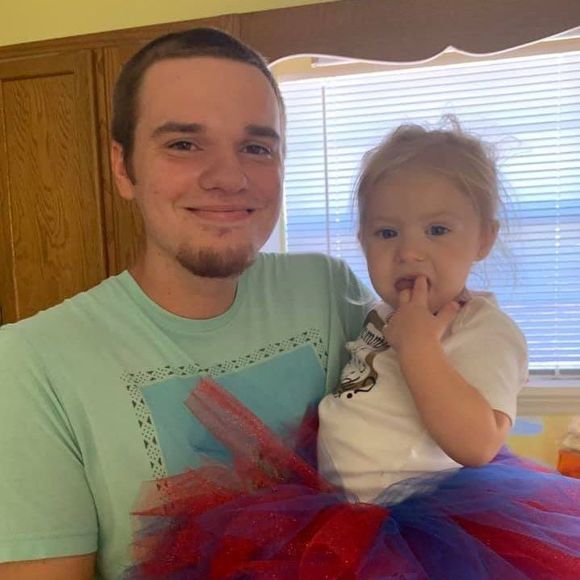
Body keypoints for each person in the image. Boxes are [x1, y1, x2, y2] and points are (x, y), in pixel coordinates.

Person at [126, 120, 580, 578]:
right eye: (387, 233)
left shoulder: (483, 330)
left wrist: (418, 347)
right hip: (334, 511)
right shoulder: (382, 314)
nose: (410, 252)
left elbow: (478, 444)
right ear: (362, 240)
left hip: (420, 535)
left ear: (483, 238)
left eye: (438, 230)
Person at [0, 29, 372, 580]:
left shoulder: (328, 289)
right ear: (123, 167)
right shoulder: (30, 363)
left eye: (257, 147)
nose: (229, 178)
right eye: (183, 144)